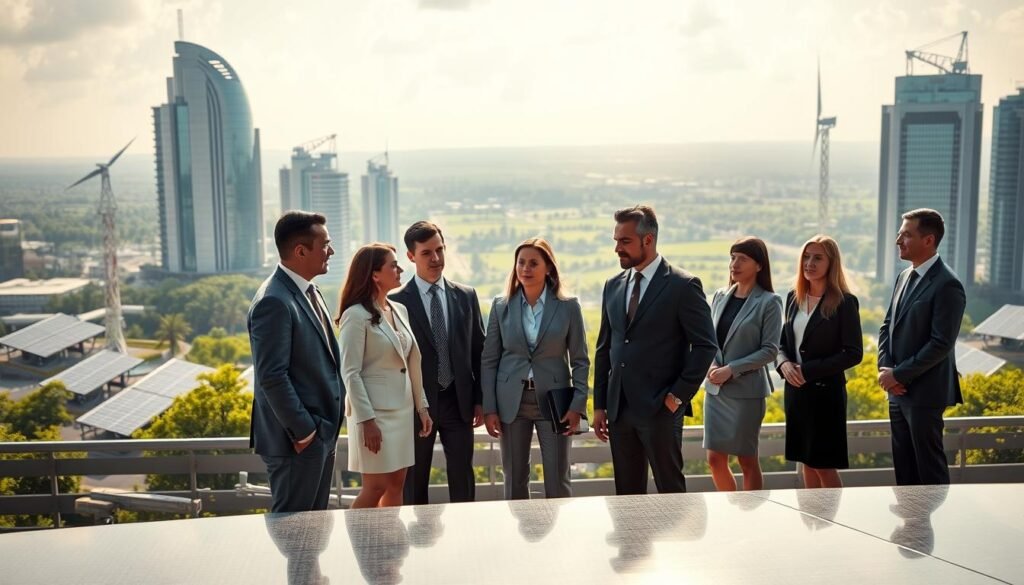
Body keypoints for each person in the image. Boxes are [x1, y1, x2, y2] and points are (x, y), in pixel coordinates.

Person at [593, 205, 718, 495]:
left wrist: (676, 398)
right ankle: (631, 542)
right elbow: (604, 348)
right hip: (619, 411)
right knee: (627, 496)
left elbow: (705, 345)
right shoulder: (612, 286)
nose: (617, 249)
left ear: (648, 240)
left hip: (661, 410)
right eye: (616, 240)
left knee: (670, 493)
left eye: (624, 241)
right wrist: (600, 404)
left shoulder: (683, 286)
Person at [248, 211, 346, 513]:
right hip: (297, 444)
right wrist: (305, 432)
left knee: (313, 531)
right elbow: (272, 377)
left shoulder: (310, 290)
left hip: (321, 436)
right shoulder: (273, 301)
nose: (331, 251)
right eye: (325, 245)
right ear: (301, 251)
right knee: (293, 533)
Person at [481, 238, 590, 499]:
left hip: (555, 404)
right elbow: (489, 360)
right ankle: (515, 537)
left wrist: (578, 405)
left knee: (557, 478)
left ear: (548, 268)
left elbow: (580, 360)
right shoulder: (500, 306)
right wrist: (489, 407)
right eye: (521, 262)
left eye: (533, 263)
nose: (525, 268)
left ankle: (562, 536)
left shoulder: (568, 307)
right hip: (511, 403)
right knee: (514, 479)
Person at [388, 221, 485, 505]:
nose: (436, 259)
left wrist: (479, 400)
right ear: (411, 256)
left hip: (460, 402)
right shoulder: (395, 302)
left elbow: (479, 351)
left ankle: (466, 538)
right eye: (427, 253)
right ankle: (416, 543)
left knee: (463, 478)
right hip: (417, 407)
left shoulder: (466, 295)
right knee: (415, 480)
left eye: (440, 250)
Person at [337, 243, 433, 508]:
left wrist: (422, 408)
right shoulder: (355, 316)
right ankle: (356, 544)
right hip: (374, 415)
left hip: (402, 412)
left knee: (396, 485)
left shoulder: (399, 310)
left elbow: (412, 363)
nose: (400, 268)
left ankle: (387, 545)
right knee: (375, 486)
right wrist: (366, 419)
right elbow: (351, 372)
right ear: (375, 274)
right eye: (393, 264)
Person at [878, 208, 965, 485]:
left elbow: (941, 343)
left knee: (929, 469)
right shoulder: (904, 276)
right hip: (896, 390)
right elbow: (887, 326)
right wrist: (886, 369)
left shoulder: (947, 284)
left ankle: (937, 526)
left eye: (906, 235)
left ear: (928, 240)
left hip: (925, 393)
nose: (898, 240)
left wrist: (898, 375)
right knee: (904, 467)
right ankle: (910, 525)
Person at [778, 235, 863, 488]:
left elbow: (853, 353)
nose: (809, 263)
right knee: (805, 461)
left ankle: (832, 526)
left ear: (831, 263)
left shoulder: (845, 303)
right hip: (796, 393)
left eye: (817, 258)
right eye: (806, 256)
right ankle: (812, 523)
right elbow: (782, 344)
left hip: (826, 396)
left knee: (823, 465)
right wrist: (783, 364)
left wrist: (808, 370)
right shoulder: (794, 298)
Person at [703, 236, 782, 492]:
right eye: (732, 257)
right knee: (714, 459)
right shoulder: (719, 296)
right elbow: (709, 340)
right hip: (716, 391)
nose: (734, 264)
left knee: (747, 460)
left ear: (759, 265)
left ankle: (752, 517)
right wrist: (712, 365)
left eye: (742, 259)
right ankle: (731, 512)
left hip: (747, 392)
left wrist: (731, 369)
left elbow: (770, 351)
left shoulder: (769, 301)